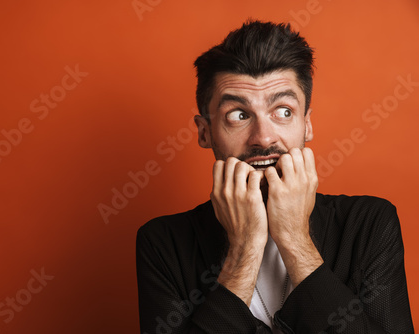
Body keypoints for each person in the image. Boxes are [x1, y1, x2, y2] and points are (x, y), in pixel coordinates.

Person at [136, 20, 414, 333]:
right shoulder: (163, 243)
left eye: (283, 111)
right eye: (239, 115)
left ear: (306, 124)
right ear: (205, 132)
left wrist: (296, 239)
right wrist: (243, 249)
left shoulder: (369, 224)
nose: (263, 138)